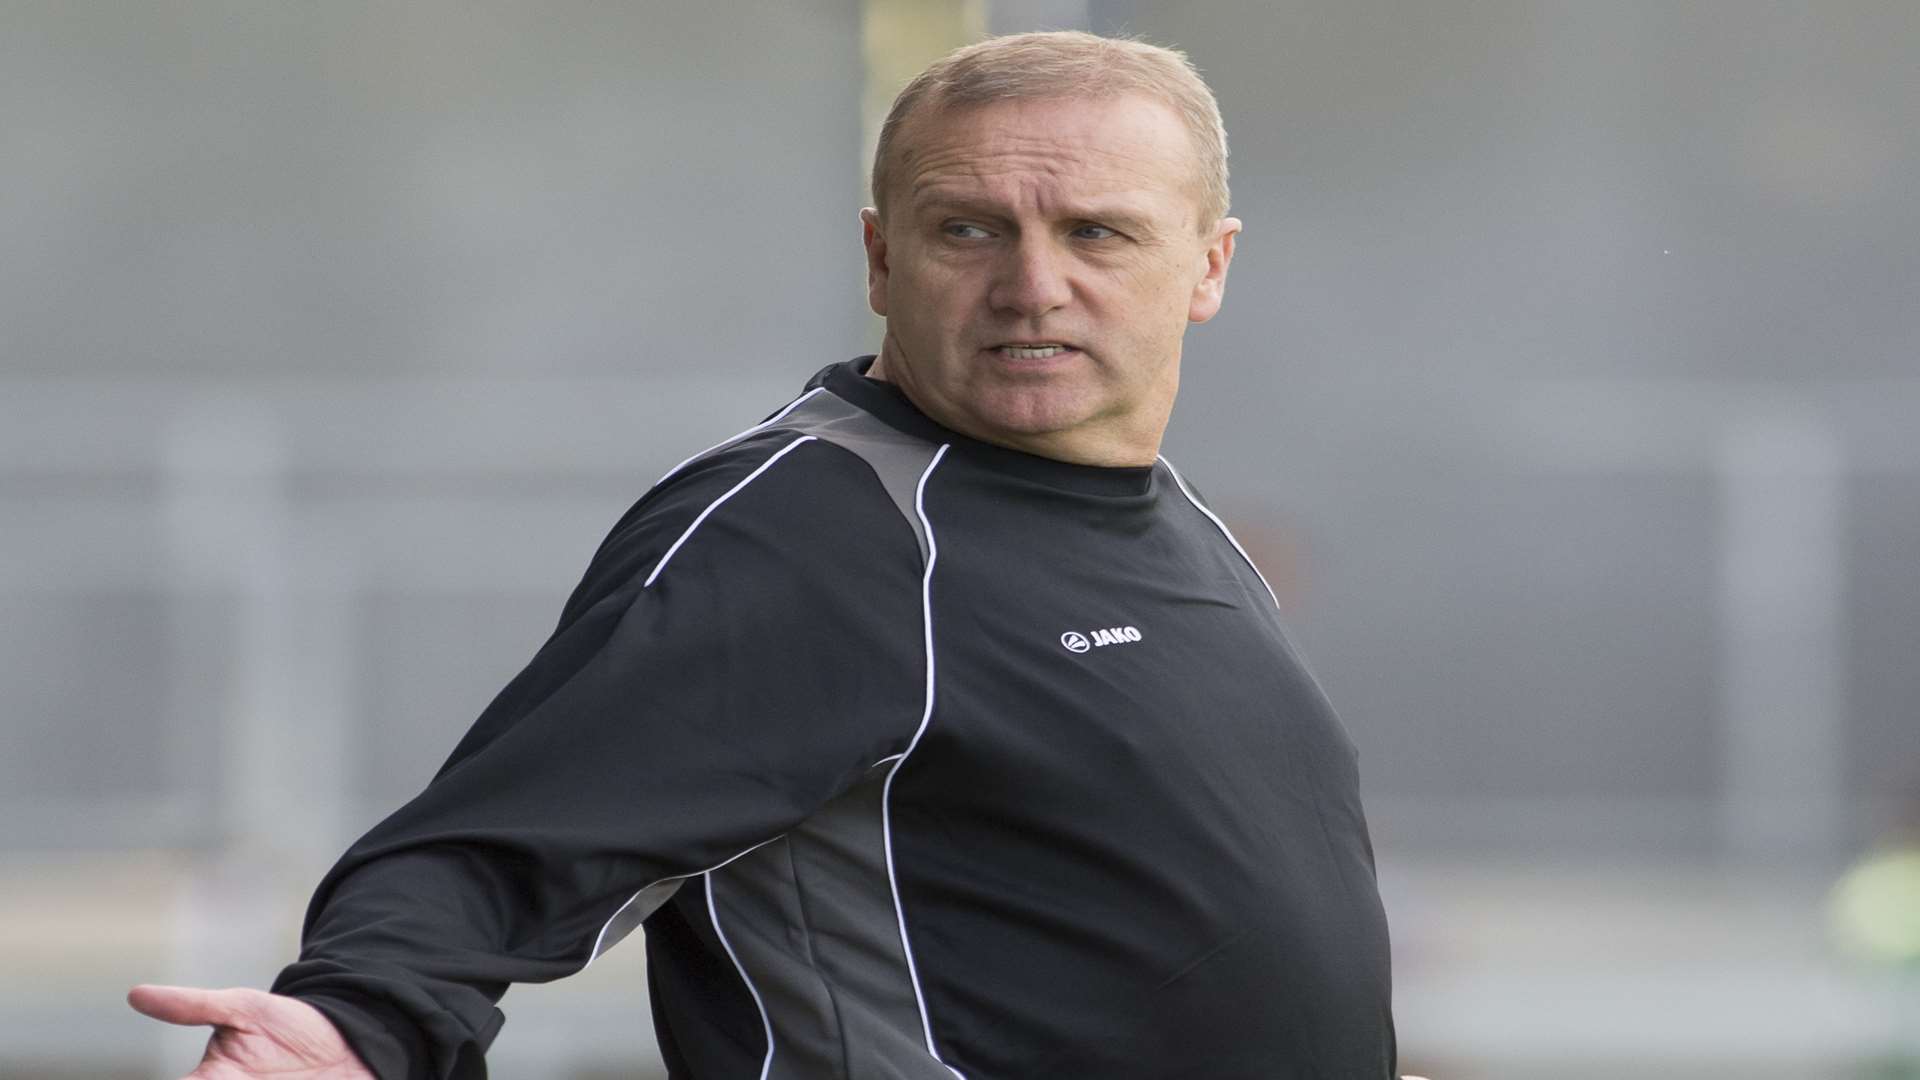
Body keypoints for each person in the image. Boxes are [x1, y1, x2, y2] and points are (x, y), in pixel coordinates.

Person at [130, 30, 1401, 1079]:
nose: (1032, 285)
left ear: (1208, 267)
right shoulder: (818, 535)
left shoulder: (1181, 524)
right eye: (969, 230)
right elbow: (494, 849)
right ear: (880, 258)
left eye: (1097, 234)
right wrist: (359, 1025)